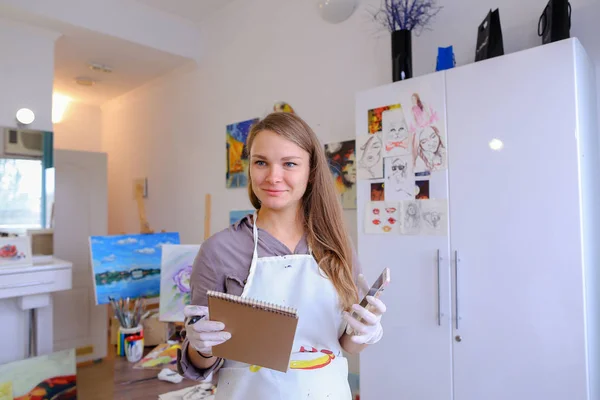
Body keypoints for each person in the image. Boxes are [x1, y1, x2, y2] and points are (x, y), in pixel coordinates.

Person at [177, 112, 388, 399]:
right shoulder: (218, 251)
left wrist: (364, 332)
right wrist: (200, 346)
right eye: (261, 162)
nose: (273, 177)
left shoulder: (337, 246)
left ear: (311, 171)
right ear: (250, 167)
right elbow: (201, 364)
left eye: (289, 164)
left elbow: (344, 345)